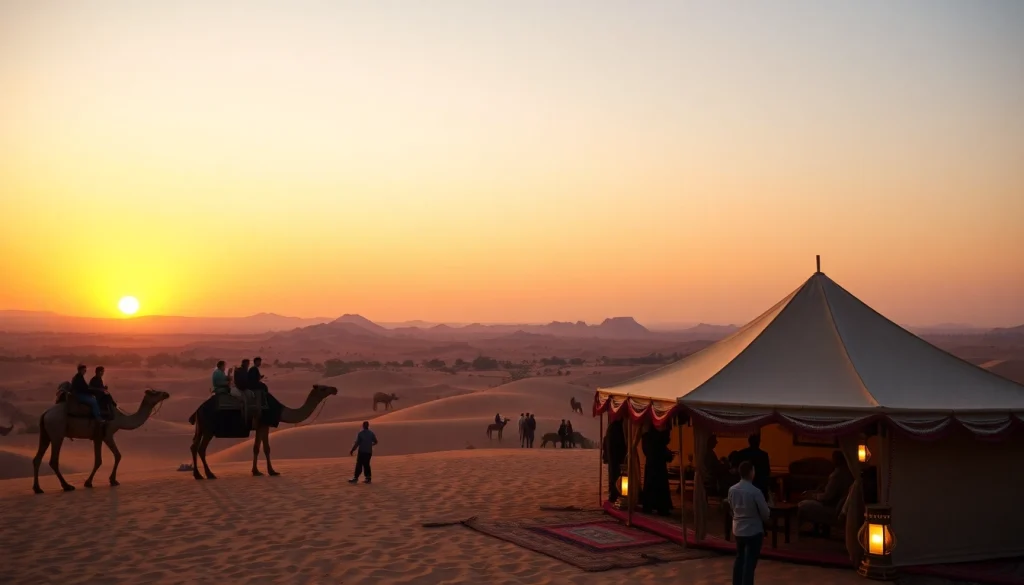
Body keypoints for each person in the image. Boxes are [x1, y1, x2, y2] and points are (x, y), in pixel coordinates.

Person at [728, 460, 770, 585]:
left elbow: (731, 507)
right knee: (750, 561)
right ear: (751, 472)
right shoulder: (755, 492)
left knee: (739, 557)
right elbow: (765, 513)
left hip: (738, 528)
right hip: (753, 530)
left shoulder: (732, 489)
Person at [797, 450, 854, 532]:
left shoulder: (837, 475)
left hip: (833, 508)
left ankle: (800, 530)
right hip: (839, 506)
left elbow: (826, 497)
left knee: (802, 504)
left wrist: (814, 496)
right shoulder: (849, 472)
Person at [641, 424, 674, 515]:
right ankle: (660, 507)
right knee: (658, 484)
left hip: (654, 463)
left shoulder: (649, 436)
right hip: (656, 463)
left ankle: (652, 506)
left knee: (652, 484)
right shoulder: (653, 437)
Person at [603, 418, 627, 502]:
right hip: (616, 439)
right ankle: (615, 493)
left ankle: (616, 492)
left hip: (617, 438)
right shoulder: (616, 427)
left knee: (616, 469)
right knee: (615, 469)